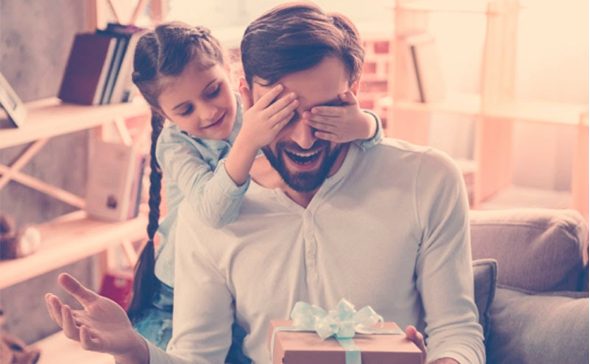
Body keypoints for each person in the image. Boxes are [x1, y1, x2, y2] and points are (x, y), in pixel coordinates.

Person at [45, 3, 485, 364]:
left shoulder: (428, 179)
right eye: (284, 112)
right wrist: (135, 352)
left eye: (324, 112)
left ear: (351, 92)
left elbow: (457, 331)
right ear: (250, 98)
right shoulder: (211, 209)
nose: (305, 137)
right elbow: (198, 357)